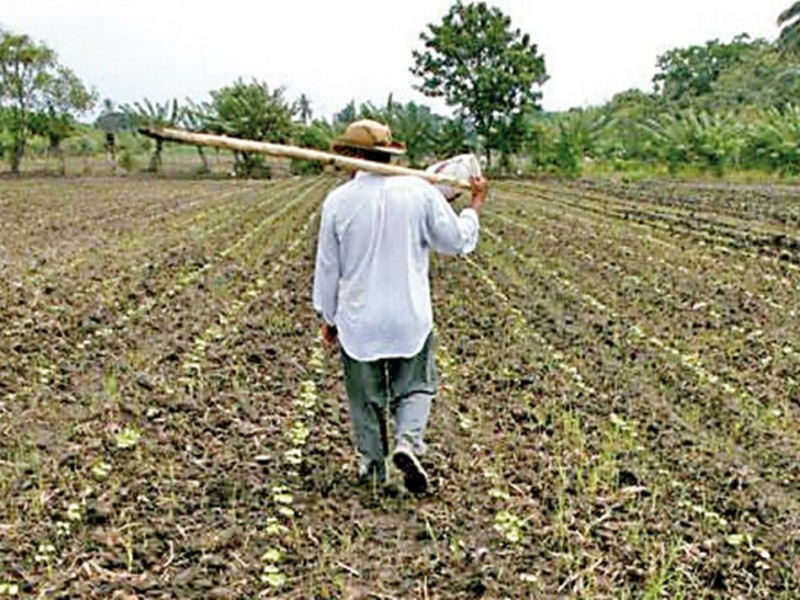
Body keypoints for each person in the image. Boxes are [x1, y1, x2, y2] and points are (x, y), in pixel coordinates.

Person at [312, 119, 489, 494]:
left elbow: (328, 270)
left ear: (350, 156)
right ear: (390, 153)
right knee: (418, 386)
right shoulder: (419, 192)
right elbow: (456, 242)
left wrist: (329, 318)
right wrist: (474, 206)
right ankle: (408, 442)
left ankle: (374, 469)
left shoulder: (338, 203)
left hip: (359, 319)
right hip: (410, 315)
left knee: (366, 398)